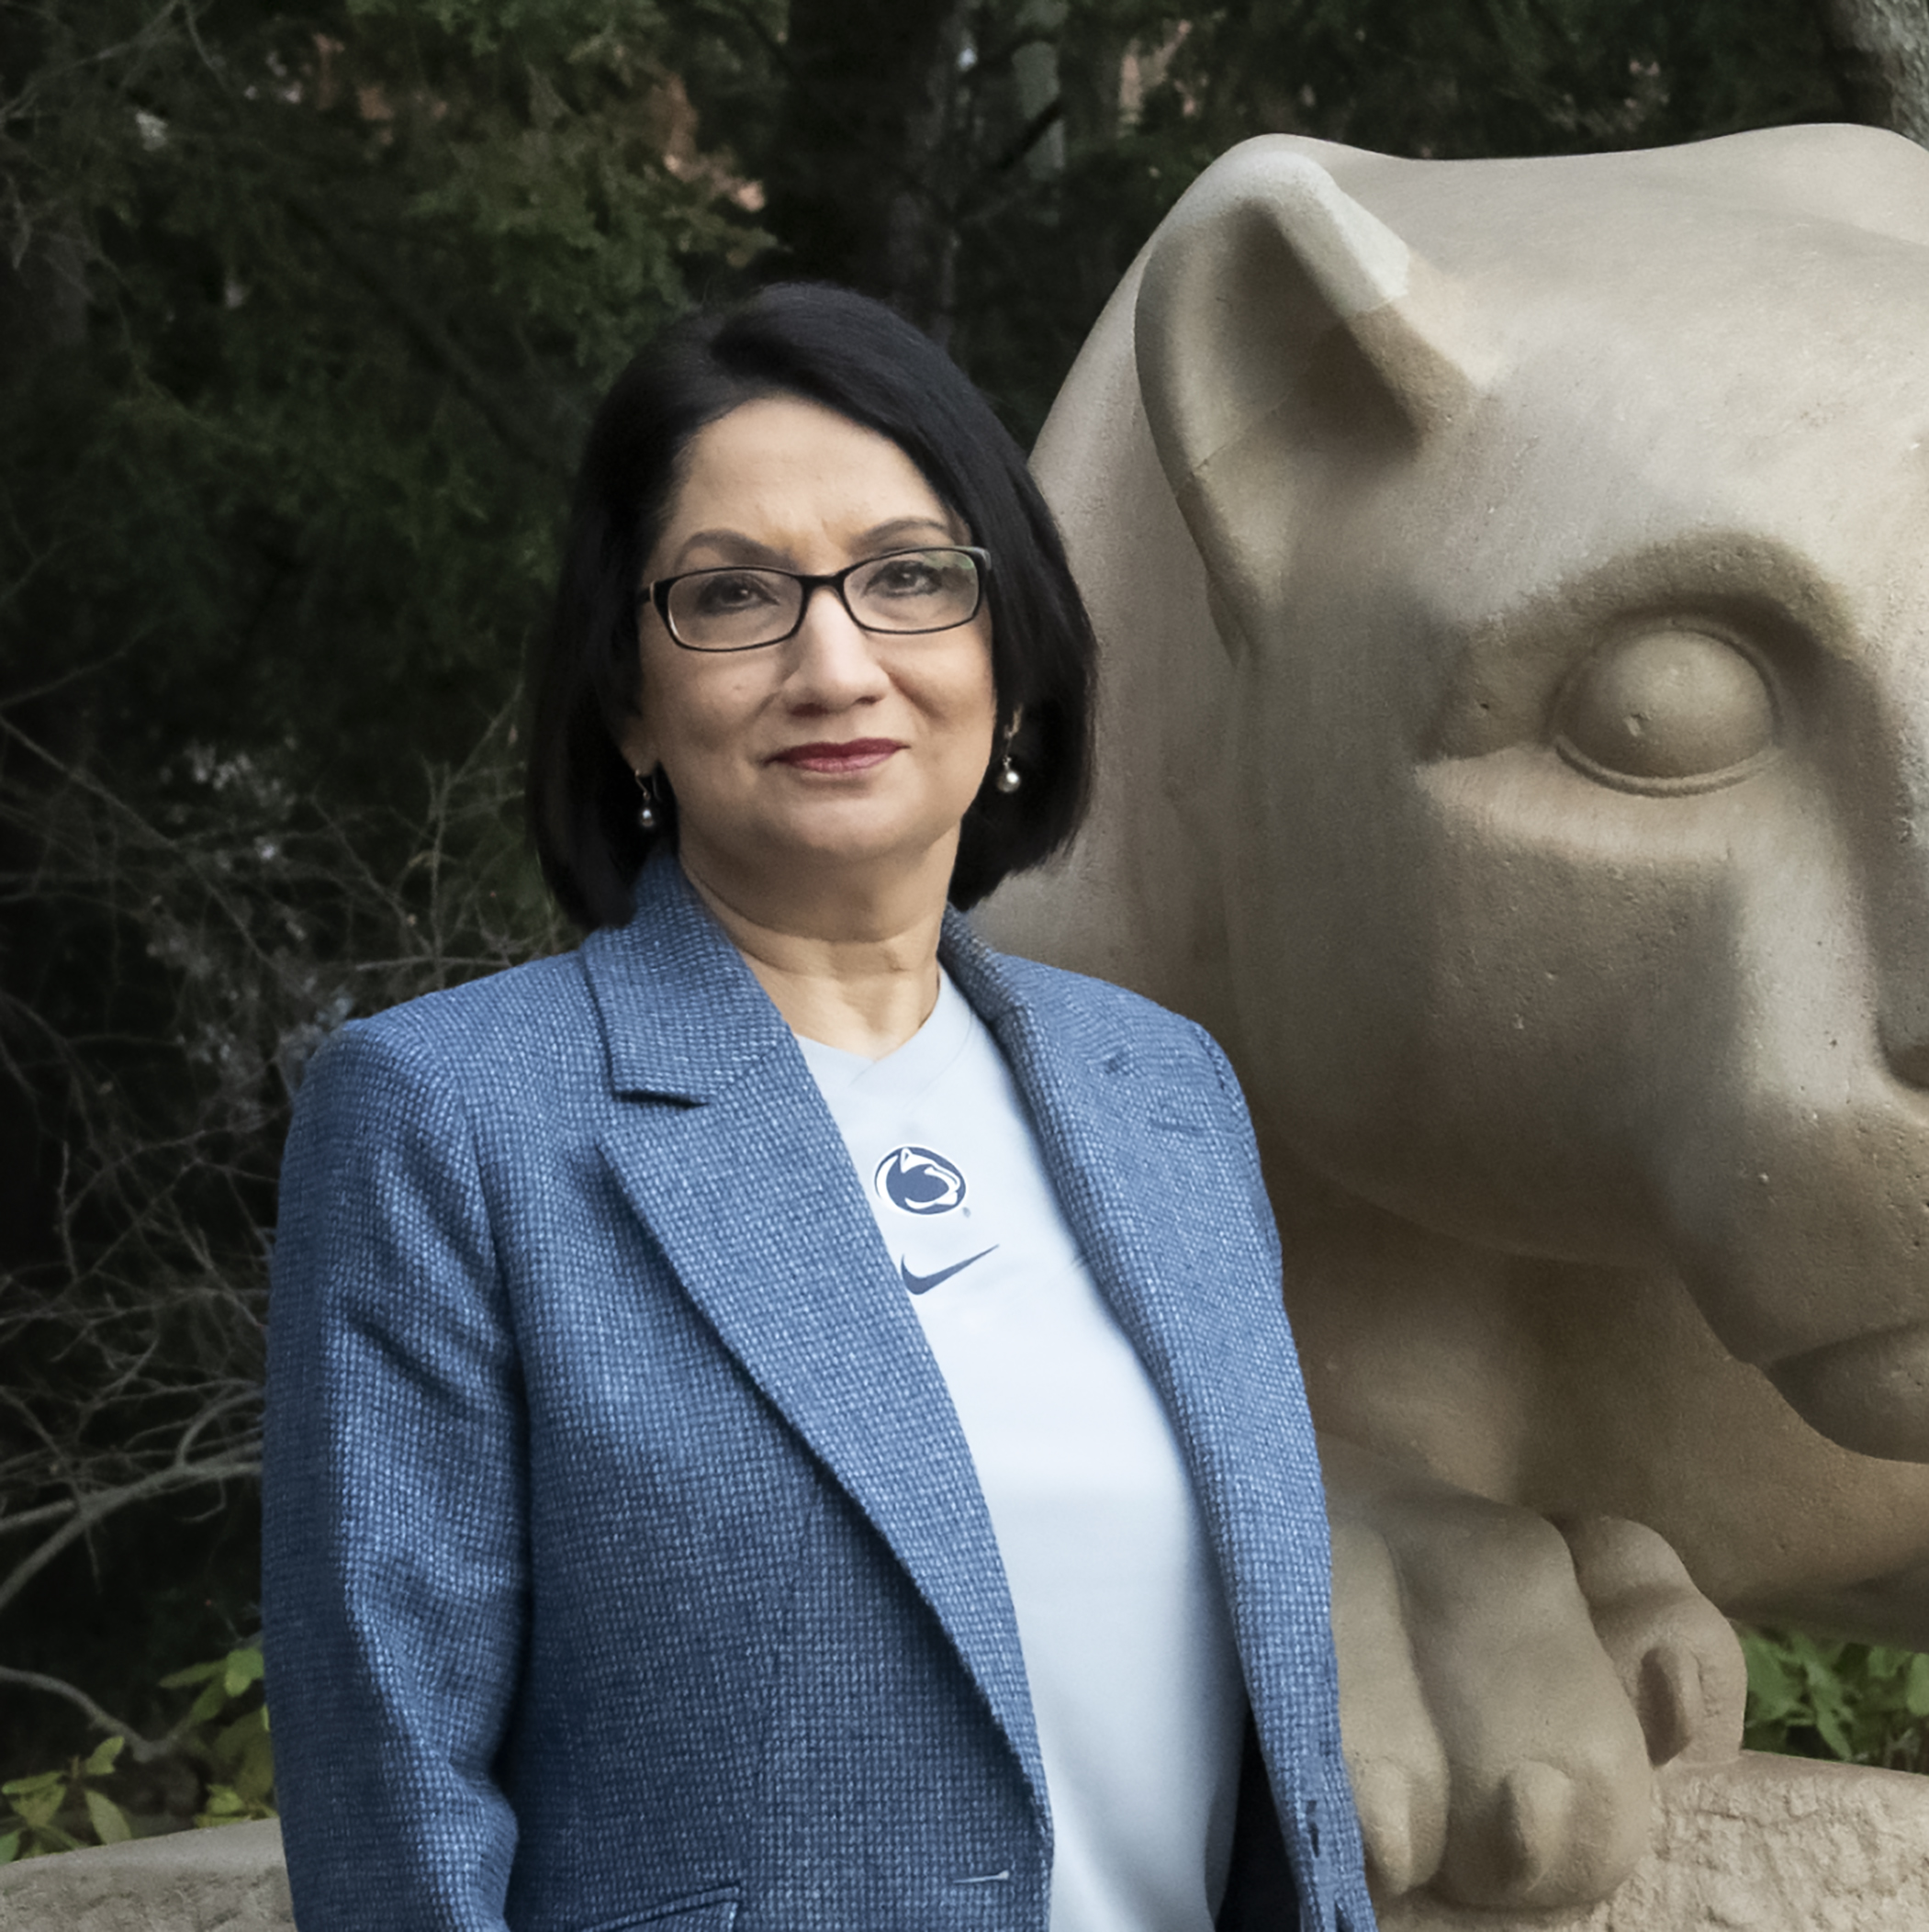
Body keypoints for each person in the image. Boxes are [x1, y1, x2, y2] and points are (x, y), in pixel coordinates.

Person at [262, 283, 1373, 1932]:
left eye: (910, 578)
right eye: (733, 596)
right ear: (630, 697)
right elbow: (395, 1815)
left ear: (1012, 654)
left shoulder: (1167, 1096)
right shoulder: (452, 1123)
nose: (835, 662)